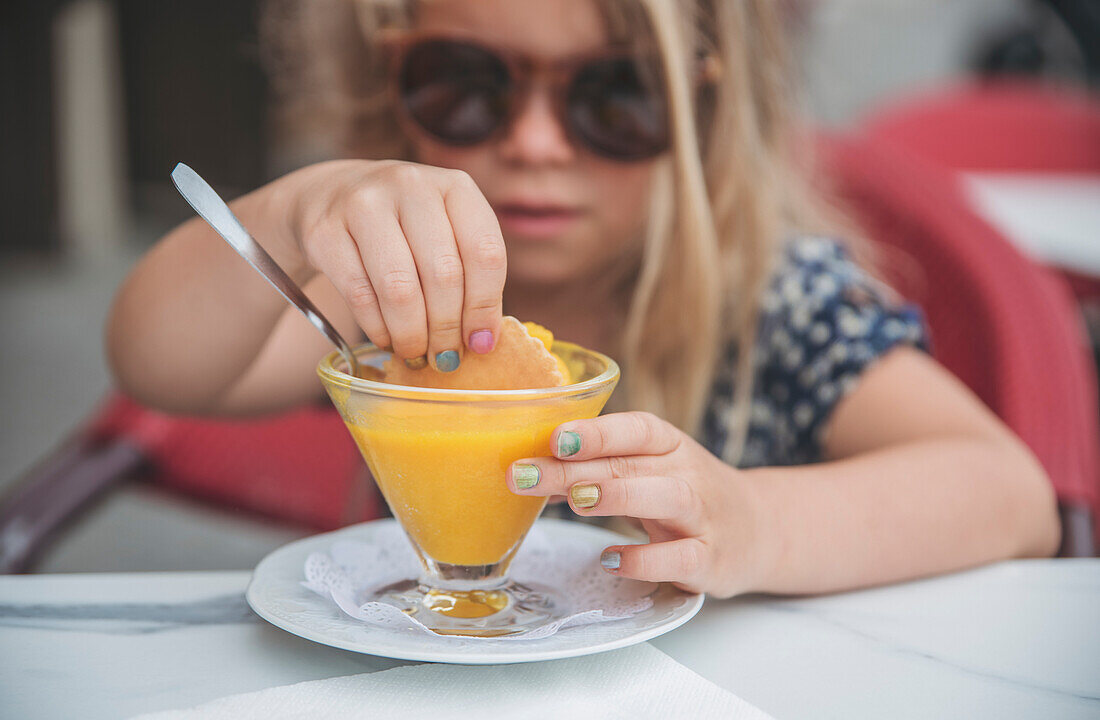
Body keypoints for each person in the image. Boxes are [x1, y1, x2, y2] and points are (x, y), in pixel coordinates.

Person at [106, 0, 1060, 597]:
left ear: (704, 110)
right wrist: (290, 207)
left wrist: (759, 526)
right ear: (389, 84)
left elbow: (1013, 497)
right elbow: (156, 360)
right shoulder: (392, 301)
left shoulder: (775, 300)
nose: (534, 143)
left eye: (615, 95)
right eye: (467, 85)